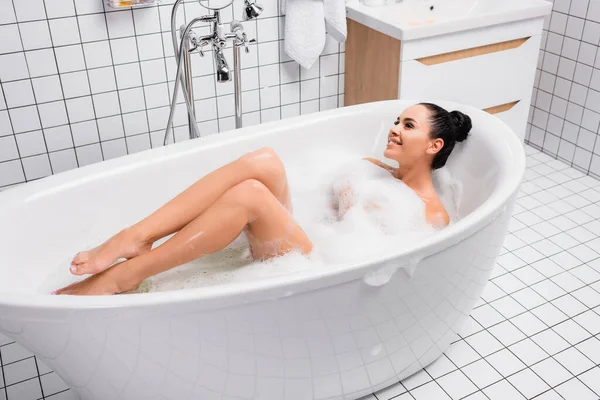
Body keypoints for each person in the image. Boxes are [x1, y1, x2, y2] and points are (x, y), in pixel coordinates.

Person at [53, 102, 471, 296]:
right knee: (264, 161)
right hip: (311, 235)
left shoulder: (430, 214)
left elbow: (385, 266)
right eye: (397, 120)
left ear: (434, 145)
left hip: (321, 264)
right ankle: (135, 236)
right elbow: (319, 210)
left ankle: (123, 275)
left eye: (408, 125)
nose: (395, 128)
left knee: (251, 195)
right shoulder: (369, 167)